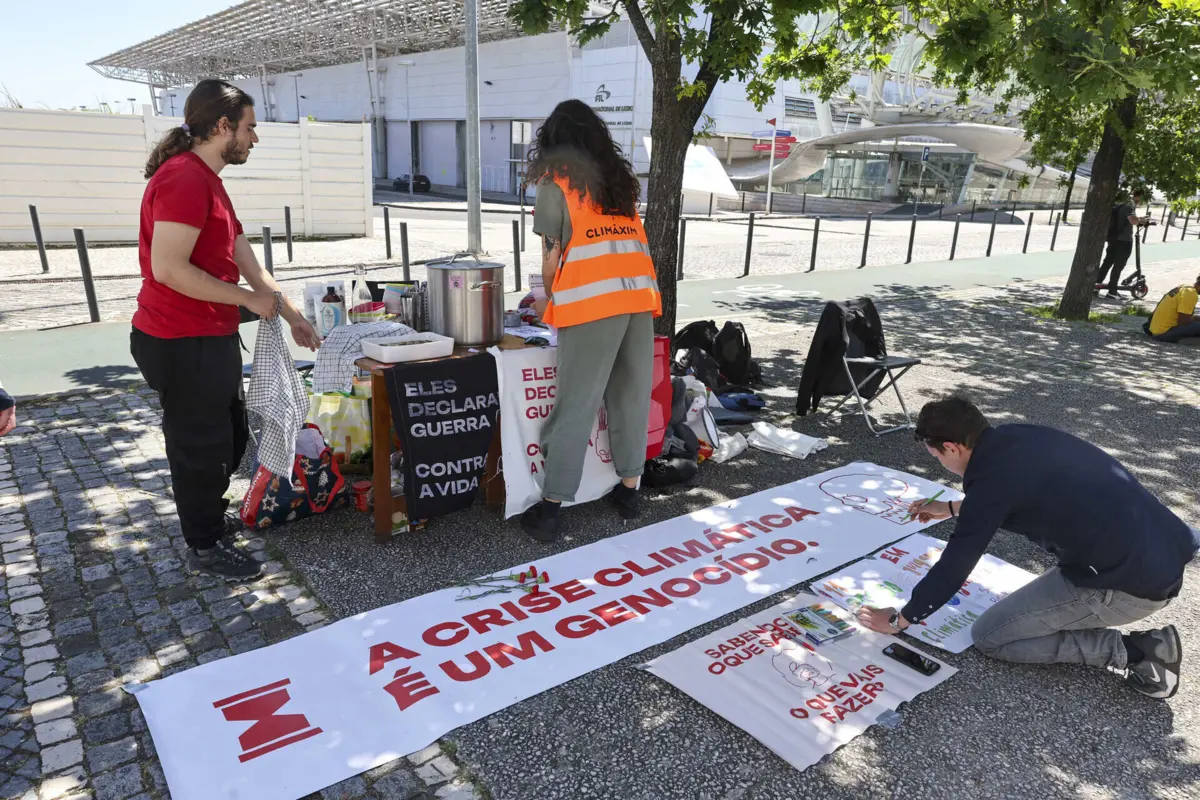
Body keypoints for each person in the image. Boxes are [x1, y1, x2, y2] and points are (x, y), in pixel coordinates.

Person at [857, 394, 1196, 699]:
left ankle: (1138, 651)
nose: (938, 462)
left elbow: (955, 565)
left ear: (952, 448)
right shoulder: (1015, 437)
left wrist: (902, 619)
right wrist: (948, 508)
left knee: (992, 636)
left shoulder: (991, 481)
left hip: (1126, 586)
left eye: (935, 455)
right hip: (1158, 550)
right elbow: (1012, 497)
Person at [131, 79, 320, 581]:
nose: (254, 138)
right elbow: (169, 268)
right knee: (200, 448)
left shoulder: (209, 180)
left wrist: (291, 313)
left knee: (230, 438)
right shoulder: (184, 180)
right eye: (250, 128)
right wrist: (246, 300)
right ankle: (204, 545)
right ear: (222, 127)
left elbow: (247, 262)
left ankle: (210, 521)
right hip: (177, 338)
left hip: (206, 335)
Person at [520, 99, 662, 543]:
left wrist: (544, 300)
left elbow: (552, 255)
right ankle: (629, 491)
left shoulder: (554, 182)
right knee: (630, 395)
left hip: (591, 304)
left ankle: (551, 508)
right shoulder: (620, 181)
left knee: (577, 402)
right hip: (638, 298)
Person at [1095, 191, 1145, 299]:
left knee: (1107, 262)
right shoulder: (1129, 205)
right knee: (1118, 265)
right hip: (1124, 240)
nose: (1142, 201)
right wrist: (1142, 220)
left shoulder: (1120, 204)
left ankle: (1095, 285)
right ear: (1138, 196)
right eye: (1142, 198)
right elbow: (1132, 220)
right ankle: (1112, 291)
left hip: (1114, 238)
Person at [1145, 274, 1200, 343]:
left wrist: (1195, 318)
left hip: (1155, 330)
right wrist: (1195, 319)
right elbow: (1183, 322)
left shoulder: (1184, 287)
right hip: (1164, 333)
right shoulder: (1191, 294)